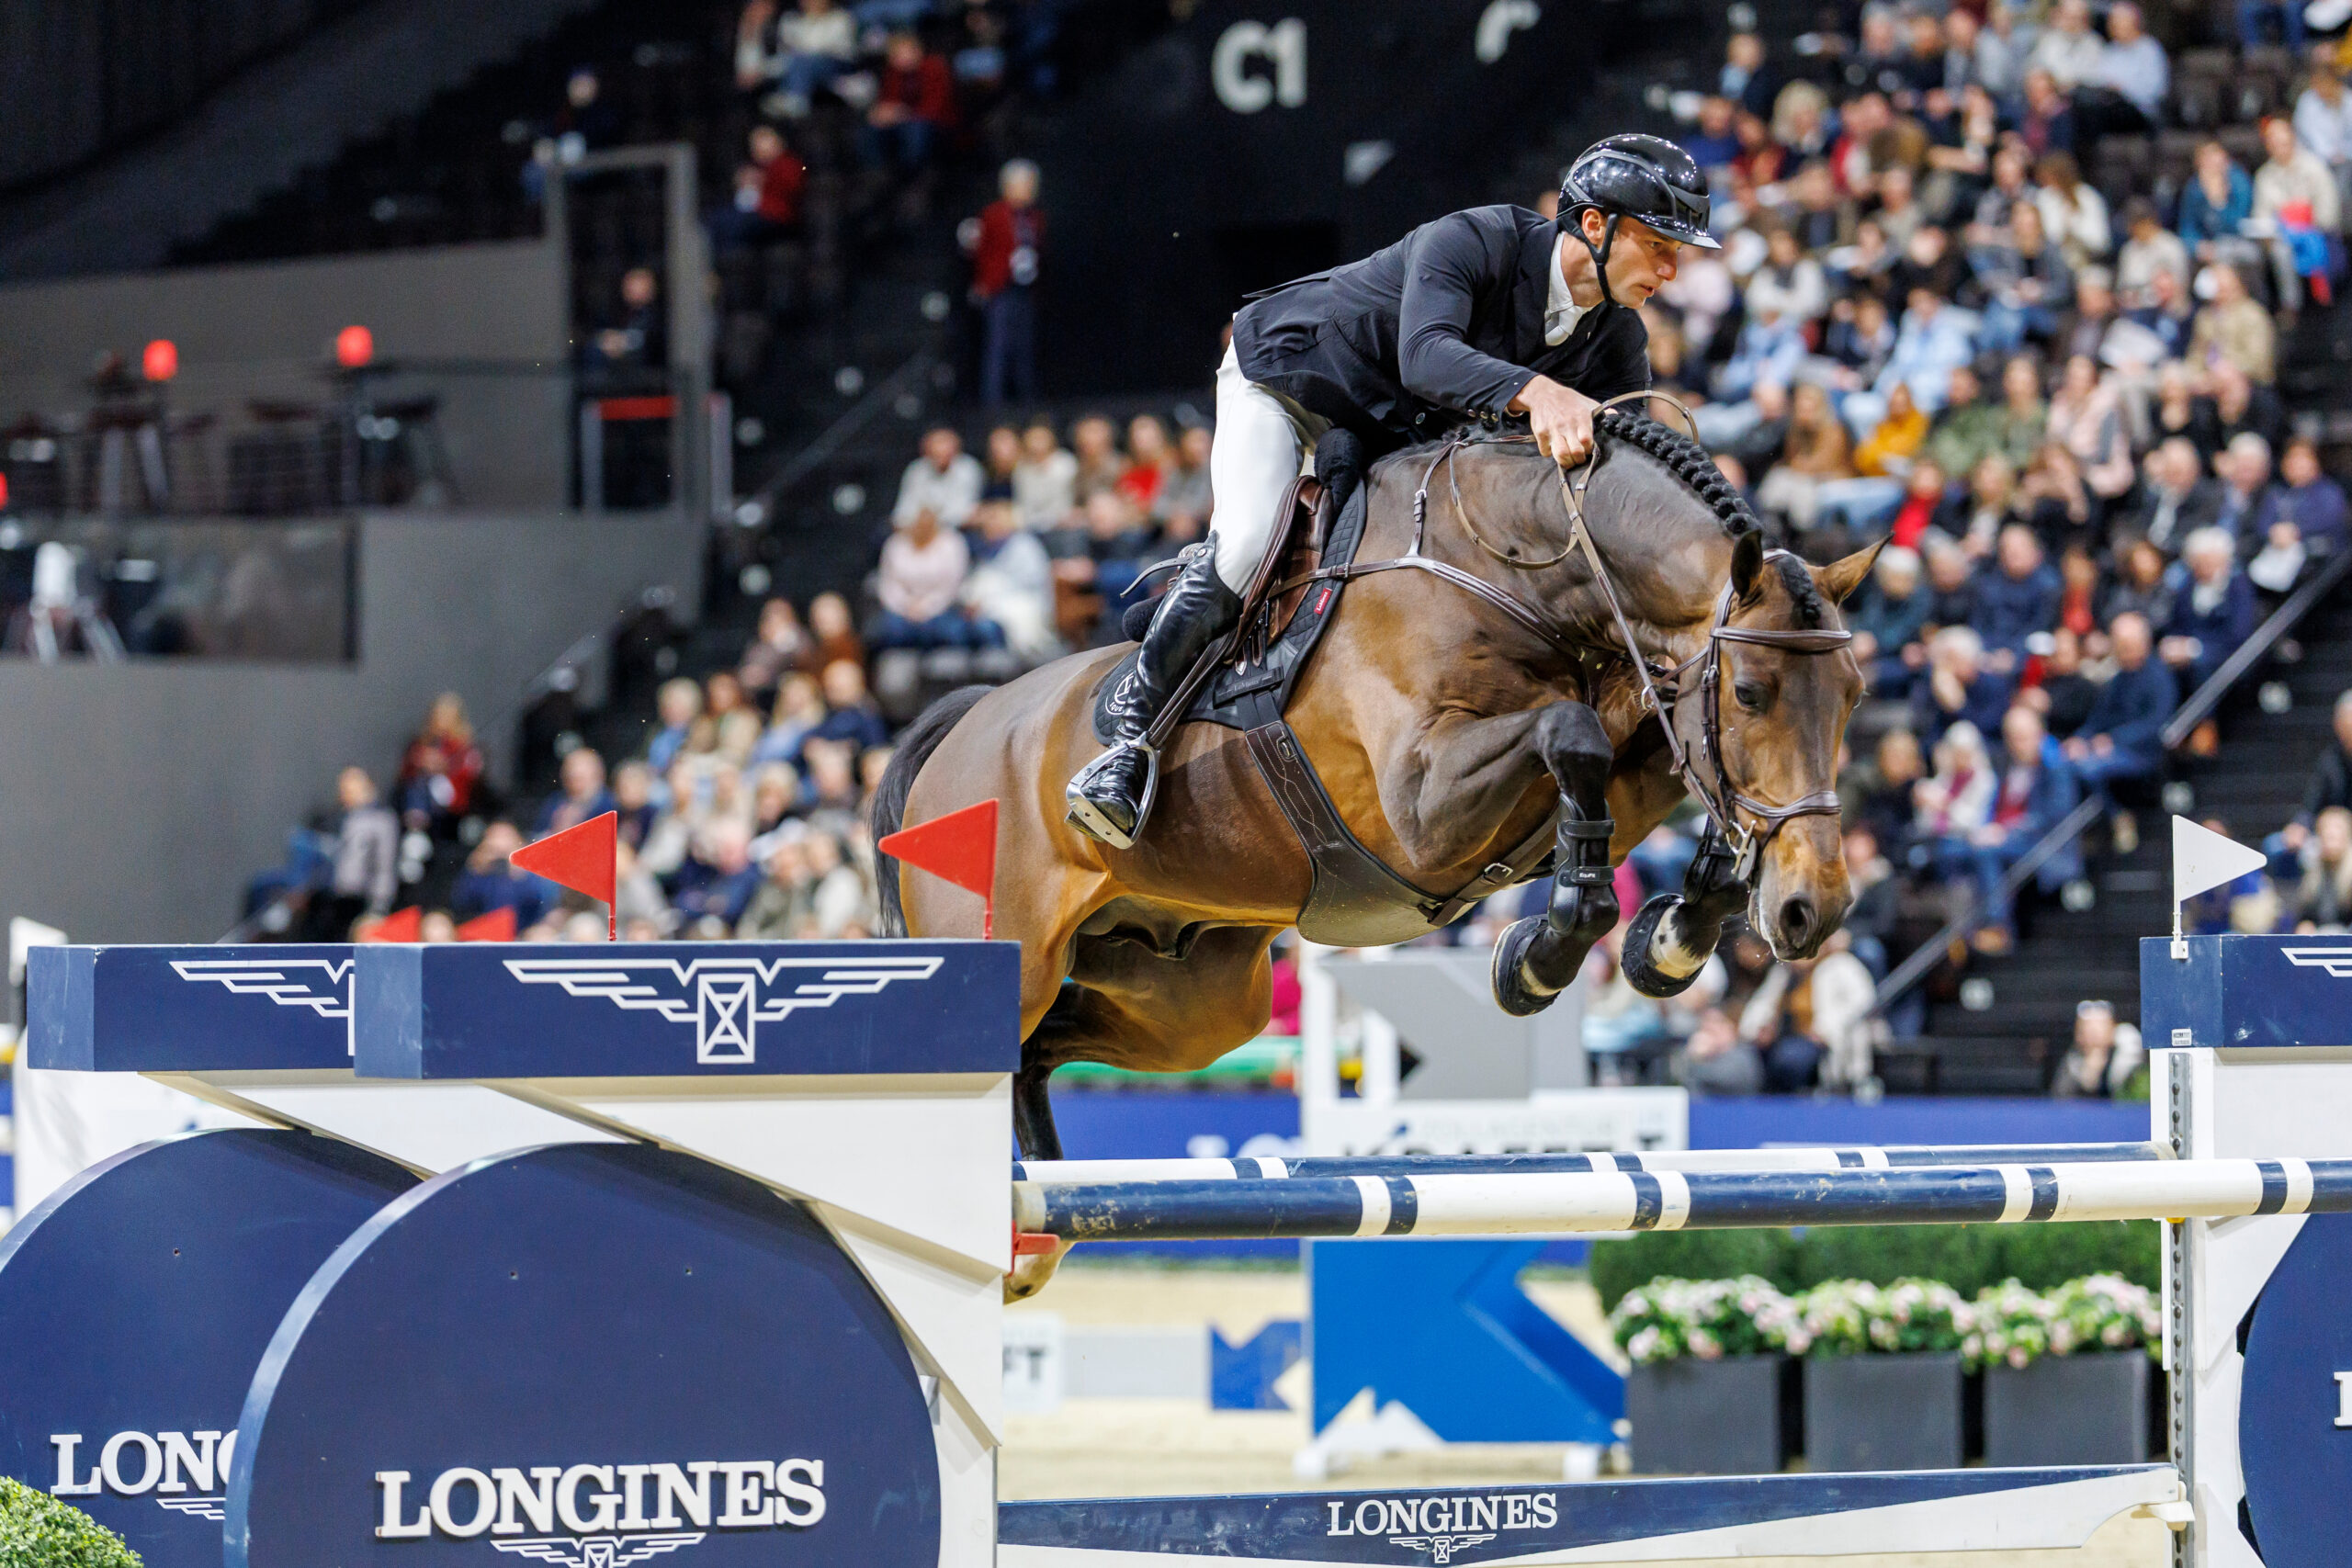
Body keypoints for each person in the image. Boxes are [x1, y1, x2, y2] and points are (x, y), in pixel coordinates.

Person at [1066, 134, 1719, 848]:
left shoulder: (1617, 339)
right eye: (1659, 244)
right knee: (1249, 543)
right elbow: (1426, 357)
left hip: (1388, 436)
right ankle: (1129, 738)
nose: (1671, 269)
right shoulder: (1474, 239)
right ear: (1594, 225)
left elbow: (1610, 488)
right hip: (1293, 383)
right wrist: (1538, 391)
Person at [2062, 611, 2177, 828]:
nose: (2123, 651)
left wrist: (2114, 739)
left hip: (2142, 752)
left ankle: (2118, 817)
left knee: (2088, 768)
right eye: (2119, 645)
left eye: (2128, 644)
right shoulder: (2117, 679)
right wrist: (2080, 738)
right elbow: (2098, 719)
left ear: (2144, 643)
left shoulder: (2159, 677)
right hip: (2111, 748)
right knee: (2064, 761)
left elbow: (2155, 723)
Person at [969, 159, 1044, 406]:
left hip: (1024, 288)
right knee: (997, 346)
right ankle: (992, 403)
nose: (1030, 190)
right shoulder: (993, 215)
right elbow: (982, 252)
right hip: (999, 289)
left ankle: (1026, 400)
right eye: (1026, 185)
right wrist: (984, 283)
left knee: (1024, 347)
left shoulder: (1035, 217)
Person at [874, 508, 994, 649]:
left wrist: (926, 606)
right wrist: (906, 605)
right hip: (902, 608)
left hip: (943, 606)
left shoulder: (951, 542)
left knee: (948, 630)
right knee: (891, 629)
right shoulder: (895, 543)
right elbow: (888, 583)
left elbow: (952, 584)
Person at [2160, 526, 2257, 692]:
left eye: (2212, 563)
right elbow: (2176, 624)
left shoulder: (2238, 588)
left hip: (2224, 659)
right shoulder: (2187, 588)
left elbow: (2238, 635)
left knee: (2202, 669)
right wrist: (2172, 644)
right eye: (2200, 564)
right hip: (2185, 658)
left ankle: (2206, 718)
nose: (2206, 570)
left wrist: (2194, 649)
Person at [861, 30, 956, 170]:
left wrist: (905, 113)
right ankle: (876, 171)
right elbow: (888, 102)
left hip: (937, 122)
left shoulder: (934, 67)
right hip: (904, 120)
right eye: (897, 54)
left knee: (916, 130)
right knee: (873, 126)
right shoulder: (893, 74)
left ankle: (913, 174)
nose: (902, 57)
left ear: (917, 51)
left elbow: (937, 106)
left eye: (906, 52)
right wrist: (882, 114)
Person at [892, 426, 983, 528]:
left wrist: (931, 523)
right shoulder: (916, 469)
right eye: (935, 447)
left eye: (945, 445)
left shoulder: (968, 468)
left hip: (956, 530)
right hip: (917, 530)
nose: (941, 451)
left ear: (956, 449)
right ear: (925, 451)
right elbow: (904, 510)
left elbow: (966, 513)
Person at [2053, 999, 2144, 1097]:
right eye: (2087, 1028)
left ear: (2112, 1028)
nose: (2093, 1035)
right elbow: (2062, 1097)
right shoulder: (2073, 1061)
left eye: (2099, 1027)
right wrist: (2089, 1075)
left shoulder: (2130, 1057)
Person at [538, 747, 616, 837]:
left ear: (597, 774)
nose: (573, 773)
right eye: (570, 771)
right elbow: (538, 833)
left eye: (580, 777)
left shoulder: (610, 804)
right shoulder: (555, 801)